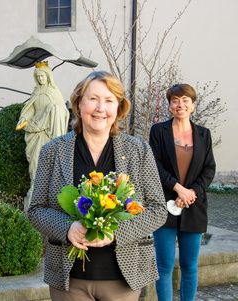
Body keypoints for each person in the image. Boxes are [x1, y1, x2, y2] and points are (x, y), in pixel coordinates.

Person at [28, 71, 167, 301]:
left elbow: (157, 209)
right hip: (69, 281)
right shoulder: (52, 151)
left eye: (109, 100)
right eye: (93, 99)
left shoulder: (139, 151)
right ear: (79, 103)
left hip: (123, 280)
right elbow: (36, 210)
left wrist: (115, 232)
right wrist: (68, 228)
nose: (100, 108)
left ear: (119, 108)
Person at [149, 84, 216, 301]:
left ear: (193, 105)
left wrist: (191, 193)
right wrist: (178, 188)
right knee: (165, 265)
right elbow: (154, 165)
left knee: (189, 266)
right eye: (175, 100)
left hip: (194, 206)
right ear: (169, 105)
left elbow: (209, 169)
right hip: (165, 205)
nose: (180, 104)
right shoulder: (158, 131)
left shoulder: (204, 135)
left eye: (185, 99)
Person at [16, 61, 69, 210]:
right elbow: (29, 110)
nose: (40, 79)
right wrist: (23, 117)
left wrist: (53, 110)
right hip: (35, 130)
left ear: (48, 76)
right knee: (34, 161)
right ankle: (35, 186)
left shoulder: (54, 91)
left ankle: (50, 190)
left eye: (42, 76)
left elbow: (63, 112)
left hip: (49, 131)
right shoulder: (35, 92)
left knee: (48, 160)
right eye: (37, 77)